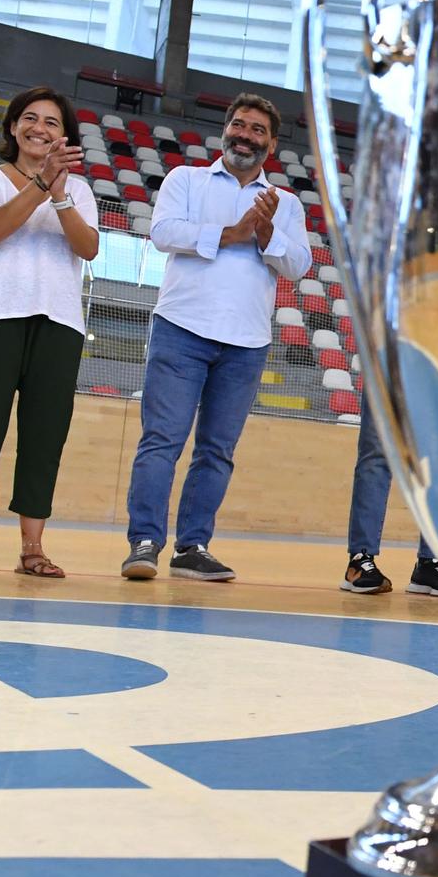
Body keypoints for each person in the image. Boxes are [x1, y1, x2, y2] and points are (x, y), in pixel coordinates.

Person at [122, 93, 310, 582]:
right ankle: (144, 542)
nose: (246, 135)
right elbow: (163, 232)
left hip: (247, 341)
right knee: (162, 440)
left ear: (271, 143)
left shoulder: (285, 204)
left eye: (257, 130)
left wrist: (267, 233)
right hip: (181, 328)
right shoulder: (186, 179)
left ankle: (193, 547)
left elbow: (299, 264)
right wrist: (233, 231)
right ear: (226, 129)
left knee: (217, 451)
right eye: (240, 125)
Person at [0, 86, 98, 579]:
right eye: (29, 118)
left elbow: (88, 247)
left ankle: (33, 548)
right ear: (12, 127)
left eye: (52, 122)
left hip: (58, 324)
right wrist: (40, 184)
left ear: (65, 135)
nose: (40, 128)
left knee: (44, 438)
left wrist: (59, 194)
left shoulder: (78, 190)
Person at [339, 399, 438, 597]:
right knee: (376, 454)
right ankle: (359, 559)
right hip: (384, 369)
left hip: (434, 370)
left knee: (437, 456)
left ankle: (429, 563)